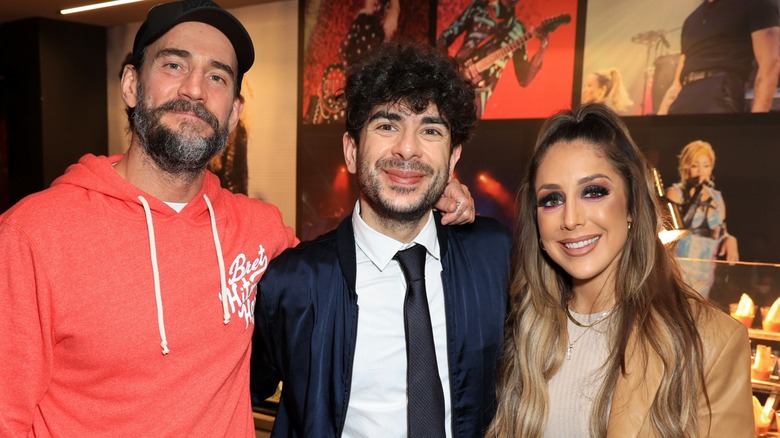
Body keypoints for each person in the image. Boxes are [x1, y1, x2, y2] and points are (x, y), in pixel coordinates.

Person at [0, 1, 476, 436]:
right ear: (130, 84)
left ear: (234, 112)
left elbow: (338, 270)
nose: (194, 90)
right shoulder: (33, 235)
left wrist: (421, 187)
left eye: (217, 77)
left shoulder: (260, 231)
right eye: (173, 65)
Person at [251, 41, 513, 437]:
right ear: (352, 151)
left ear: (453, 158)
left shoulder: (494, 256)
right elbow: (236, 391)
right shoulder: (292, 284)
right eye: (387, 125)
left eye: (430, 130)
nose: (407, 148)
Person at [487, 104, 752, 437]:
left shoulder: (710, 342)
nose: (571, 219)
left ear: (632, 206)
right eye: (552, 199)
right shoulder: (521, 329)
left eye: (594, 191)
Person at [657, 0, 780, 114]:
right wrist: (660, 121)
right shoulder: (691, 21)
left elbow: (770, 63)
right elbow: (677, 83)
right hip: (685, 94)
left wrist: (756, 122)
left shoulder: (756, 3)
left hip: (720, 90)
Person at [436, 0, 549, 117]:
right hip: (454, 83)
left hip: (478, 99)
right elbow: (444, 38)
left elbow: (524, 79)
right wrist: (450, 72)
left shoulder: (518, 30)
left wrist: (543, 46)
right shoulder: (479, 7)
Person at [666, 140, 738, 299]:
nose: (701, 171)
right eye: (695, 165)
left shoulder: (717, 198)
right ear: (686, 167)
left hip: (706, 270)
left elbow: (721, 230)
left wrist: (729, 239)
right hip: (680, 269)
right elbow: (667, 234)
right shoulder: (676, 194)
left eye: (706, 166)